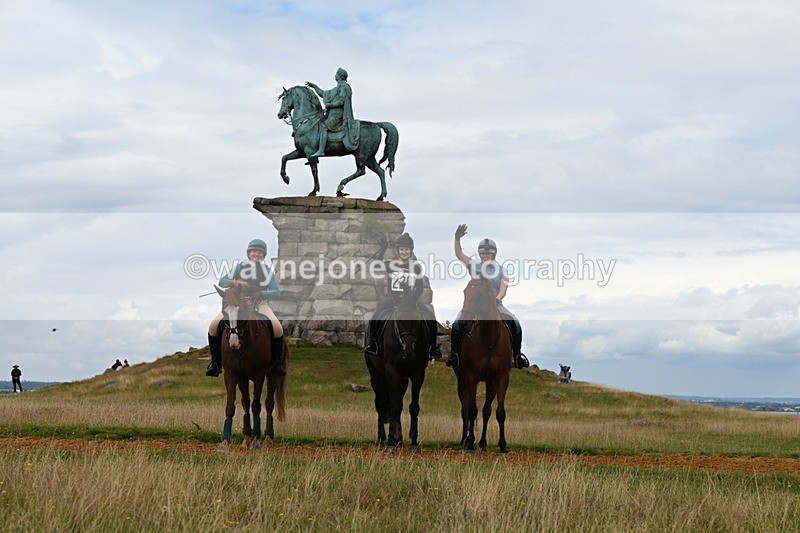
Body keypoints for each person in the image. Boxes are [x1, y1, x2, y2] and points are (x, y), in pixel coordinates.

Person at [445, 224, 530, 370]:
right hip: (474, 306)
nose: (485, 256)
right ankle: (454, 355)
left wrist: (496, 299)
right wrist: (457, 239)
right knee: (457, 324)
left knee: (515, 323)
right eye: (482, 253)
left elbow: (503, 289)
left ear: (494, 254)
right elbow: (459, 255)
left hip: (496, 305)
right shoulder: (474, 265)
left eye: (488, 253)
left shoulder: (502, 270)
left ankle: (517, 356)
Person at [205, 239, 286, 377]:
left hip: (260, 305)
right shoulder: (239, 267)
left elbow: (276, 292)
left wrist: (261, 293)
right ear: (249, 253)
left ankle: (277, 363)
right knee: (213, 326)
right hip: (237, 305)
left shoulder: (267, 271)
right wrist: (236, 283)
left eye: (260, 252)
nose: (257, 254)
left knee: (277, 328)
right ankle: (215, 362)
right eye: (254, 251)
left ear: (264, 255)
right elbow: (222, 281)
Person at [364, 233, 440, 359]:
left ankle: (432, 347)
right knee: (376, 316)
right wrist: (382, 250)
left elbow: (419, 288)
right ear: (398, 251)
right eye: (402, 249)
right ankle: (372, 343)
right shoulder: (391, 264)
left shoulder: (416, 267)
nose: (404, 252)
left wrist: (413, 300)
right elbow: (377, 265)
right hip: (394, 300)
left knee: (430, 318)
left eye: (407, 249)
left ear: (411, 251)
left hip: (411, 302)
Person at [305, 67, 360, 157]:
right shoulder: (337, 88)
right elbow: (323, 93)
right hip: (332, 114)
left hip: (338, 115)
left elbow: (341, 101)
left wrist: (330, 105)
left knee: (323, 126)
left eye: (336, 74)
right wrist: (314, 86)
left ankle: (321, 150)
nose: (335, 75)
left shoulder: (344, 87)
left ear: (340, 76)